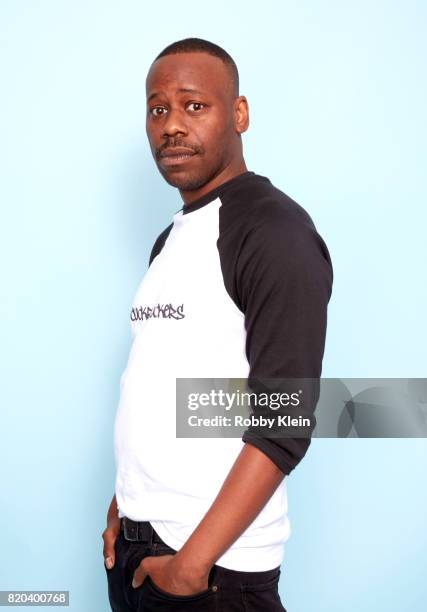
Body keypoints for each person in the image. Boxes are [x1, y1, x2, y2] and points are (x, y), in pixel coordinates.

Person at [102, 37, 333, 612]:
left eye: (194, 105)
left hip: (214, 574)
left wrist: (192, 564)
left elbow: (284, 418)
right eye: (158, 109)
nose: (171, 126)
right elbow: (160, 382)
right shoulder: (173, 239)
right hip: (141, 551)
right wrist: (123, 506)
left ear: (239, 114)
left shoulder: (274, 232)